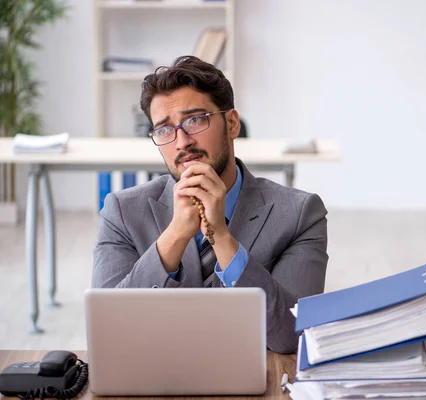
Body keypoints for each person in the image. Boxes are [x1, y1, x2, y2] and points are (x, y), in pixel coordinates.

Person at [91, 56, 329, 354]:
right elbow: (108, 331)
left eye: (195, 120)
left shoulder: (300, 214)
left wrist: (221, 237)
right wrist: (175, 235)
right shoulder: (122, 212)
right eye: (164, 129)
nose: (181, 142)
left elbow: (291, 337)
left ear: (231, 124)